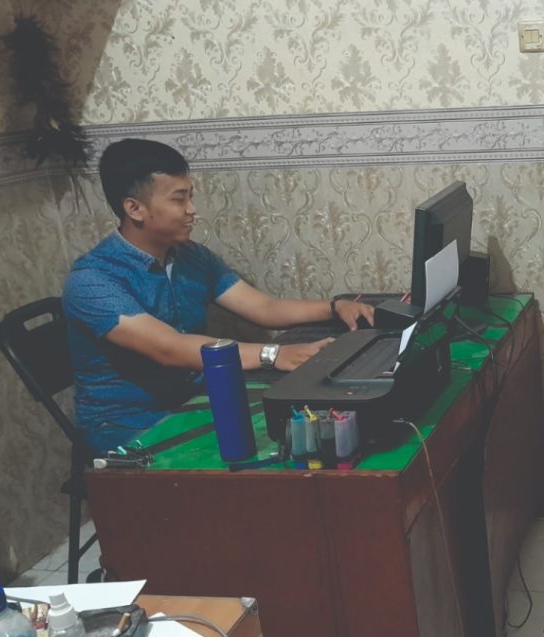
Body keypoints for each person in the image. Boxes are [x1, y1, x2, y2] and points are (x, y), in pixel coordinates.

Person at [64, 139, 375, 455]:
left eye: (191, 196)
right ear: (134, 208)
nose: (192, 209)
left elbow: (263, 307)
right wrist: (274, 354)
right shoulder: (92, 279)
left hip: (195, 401)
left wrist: (335, 307)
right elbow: (169, 348)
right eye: (179, 199)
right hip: (127, 426)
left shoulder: (190, 256)